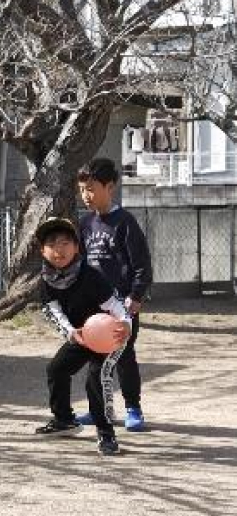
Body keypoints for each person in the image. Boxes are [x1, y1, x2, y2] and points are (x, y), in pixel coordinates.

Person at [33, 217, 131, 456]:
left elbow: (116, 306)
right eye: (51, 244)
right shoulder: (45, 280)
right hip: (82, 335)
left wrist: (125, 325)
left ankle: (106, 434)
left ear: (77, 247)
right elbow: (53, 311)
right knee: (57, 369)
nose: (59, 250)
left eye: (65, 243)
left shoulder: (90, 275)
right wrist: (70, 332)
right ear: (42, 251)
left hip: (110, 336)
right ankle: (64, 420)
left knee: (96, 378)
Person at [76, 158, 153, 432]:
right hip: (94, 305)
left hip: (122, 305)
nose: (86, 195)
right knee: (95, 357)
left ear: (110, 187)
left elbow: (142, 265)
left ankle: (133, 408)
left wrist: (136, 296)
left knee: (124, 355)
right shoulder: (85, 224)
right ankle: (97, 409)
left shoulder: (125, 222)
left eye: (91, 189)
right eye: (82, 190)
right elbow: (81, 265)